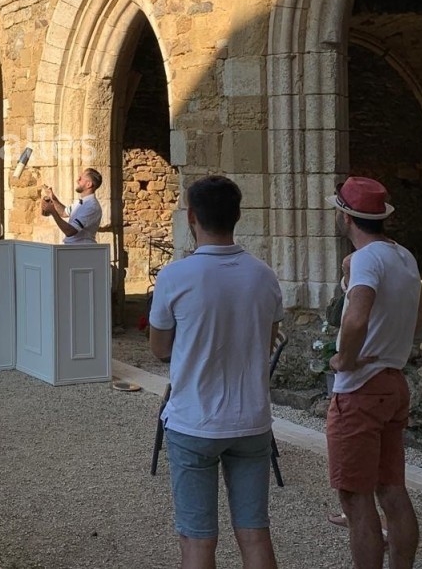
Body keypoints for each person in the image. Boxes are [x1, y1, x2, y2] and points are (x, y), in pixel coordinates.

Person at [148, 175, 282, 569]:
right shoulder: (264, 275)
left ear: (191, 217)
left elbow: (159, 350)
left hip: (194, 420)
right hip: (251, 419)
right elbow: (269, 338)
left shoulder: (175, 276)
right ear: (238, 215)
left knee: (197, 541)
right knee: (255, 533)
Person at [326, 176, 422, 569]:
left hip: (362, 388)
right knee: (392, 490)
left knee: (355, 496)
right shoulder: (404, 256)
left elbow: (355, 319)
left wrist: (345, 359)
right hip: (393, 382)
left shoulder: (367, 258)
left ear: (345, 217)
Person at [40, 168, 103, 244]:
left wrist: (53, 212)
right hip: (73, 248)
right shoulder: (81, 202)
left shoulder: (91, 206)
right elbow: (63, 212)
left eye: (80, 179)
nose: (77, 180)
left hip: (81, 250)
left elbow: (70, 231)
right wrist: (53, 199)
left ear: (88, 184)